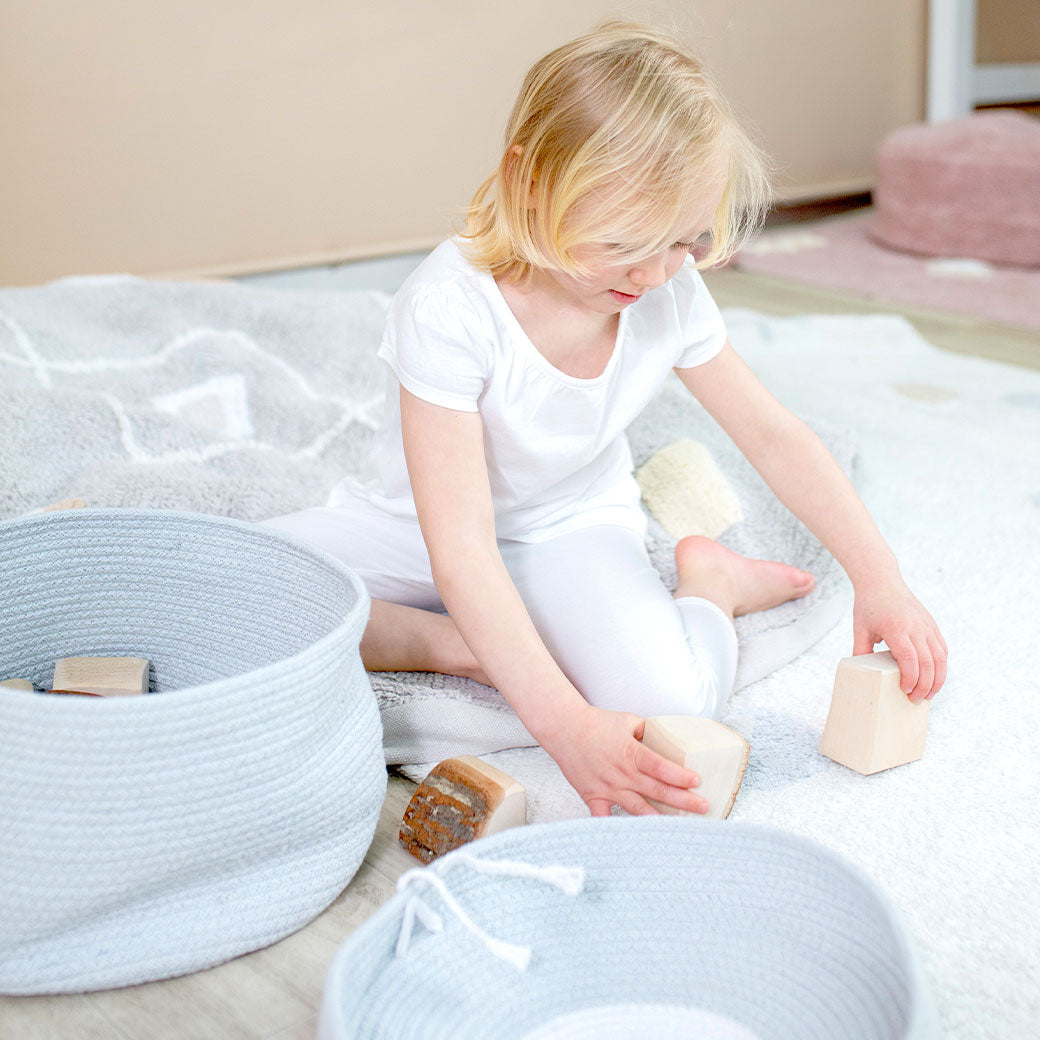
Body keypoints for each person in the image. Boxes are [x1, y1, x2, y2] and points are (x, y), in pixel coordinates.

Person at [264, 21, 947, 817]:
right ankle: (452, 645)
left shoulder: (667, 290)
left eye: (686, 242)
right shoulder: (450, 308)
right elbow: (462, 549)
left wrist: (881, 579)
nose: (653, 275)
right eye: (624, 242)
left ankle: (711, 587)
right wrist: (565, 727)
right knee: (237, 591)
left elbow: (773, 434)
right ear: (528, 181)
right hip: (417, 525)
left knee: (673, 704)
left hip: (571, 525)